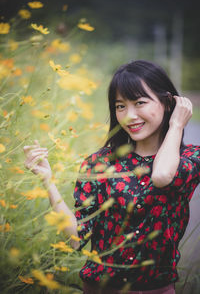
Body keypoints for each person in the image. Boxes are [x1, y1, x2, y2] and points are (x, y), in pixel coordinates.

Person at [23, 60, 200, 294]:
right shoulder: (100, 162)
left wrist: (176, 125)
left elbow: (161, 176)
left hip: (154, 289)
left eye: (139, 103)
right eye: (120, 106)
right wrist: (47, 181)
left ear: (168, 103)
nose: (129, 115)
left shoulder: (189, 157)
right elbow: (77, 238)